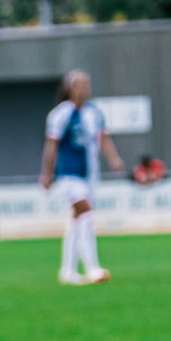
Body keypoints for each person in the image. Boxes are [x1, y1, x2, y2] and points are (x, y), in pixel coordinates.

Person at [39, 69, 125, 285]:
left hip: (90, 176)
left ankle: (67, 271)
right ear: (70, 88)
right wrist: (47, 174)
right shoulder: (61, 114)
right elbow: (51, 146)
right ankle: (92, 268)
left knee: (76, 220)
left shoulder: (94, 112)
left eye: (88, 84)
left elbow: (103, 138)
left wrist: (114, 159)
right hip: (69, 175)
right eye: (81, 85)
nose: (86, 89)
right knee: (85, 214)